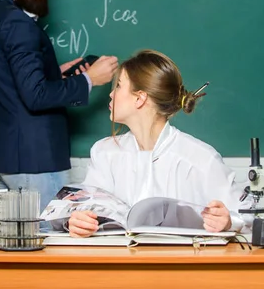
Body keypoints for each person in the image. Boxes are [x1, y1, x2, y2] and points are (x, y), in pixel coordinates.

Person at [0, 0, 118, 213]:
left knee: (20, 245)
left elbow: (16, 84)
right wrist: (90, 79)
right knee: (47, 242)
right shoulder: (19, 23)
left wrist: (55, 73)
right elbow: (36, 96)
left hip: (9, 157)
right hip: (35, 161)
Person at [67, 50, 253, 238]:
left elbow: (248, 218)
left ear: (140, 98)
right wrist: (78, 221)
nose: (111, 94)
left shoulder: (200, 158)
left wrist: (228, 221)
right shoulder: (104, 152)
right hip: (119, 263)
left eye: (119, 86)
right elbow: (86, 207)